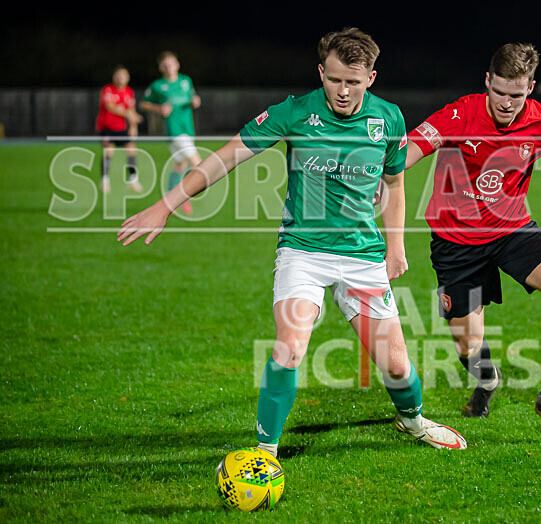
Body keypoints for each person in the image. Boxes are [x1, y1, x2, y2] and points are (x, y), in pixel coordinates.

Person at [117, 28, 467, 455]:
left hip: (362, 255)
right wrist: (165, 205)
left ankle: (413, 422)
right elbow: (226, 157)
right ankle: (265, 454)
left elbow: (394, 183)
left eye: (353, 82)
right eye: (334, 79)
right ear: (321, 71)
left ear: (370, 79)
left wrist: (396, 247)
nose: (342, 91)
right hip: (303, 251)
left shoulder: (388, 119)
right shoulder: (294, 112)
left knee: (394, 364)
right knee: (289, 345)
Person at [403, 43, 541, 441]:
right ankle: (487, 380)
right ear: (487, 81)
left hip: (513, 230)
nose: (506, 102)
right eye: (499, 92)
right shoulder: (462, 112)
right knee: (469, 345)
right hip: (456, 241)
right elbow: (412, 147)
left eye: (516, 94)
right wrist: (383, 177)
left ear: (530, 87)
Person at [140, 51, 202, 214]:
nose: (169, 67)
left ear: (177, 64)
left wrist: (195, 101)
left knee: (180, 165)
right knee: (198, 165)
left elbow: (193, 97)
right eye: (165, 65)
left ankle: (168, 198)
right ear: (161, 68)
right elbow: (144, 104)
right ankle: (183, 198)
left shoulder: (185, 81)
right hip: (174, 131)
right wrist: (158, 108)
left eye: (171, 64)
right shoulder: (157, 86)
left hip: (188, 129)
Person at [95, 66, 143, 194]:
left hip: (121, 128)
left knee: (132, 149)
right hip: (107, 127)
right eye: (118, 75)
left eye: (123, 75)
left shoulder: (129, 91)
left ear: (128, 78)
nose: (120, 78)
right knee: (109, 151)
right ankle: (105, 180)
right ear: (114, 77)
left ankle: (133, 179)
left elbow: (131, 110)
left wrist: (134, 126)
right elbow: (110, 106)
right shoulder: (108, 89)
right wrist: (128, 114)